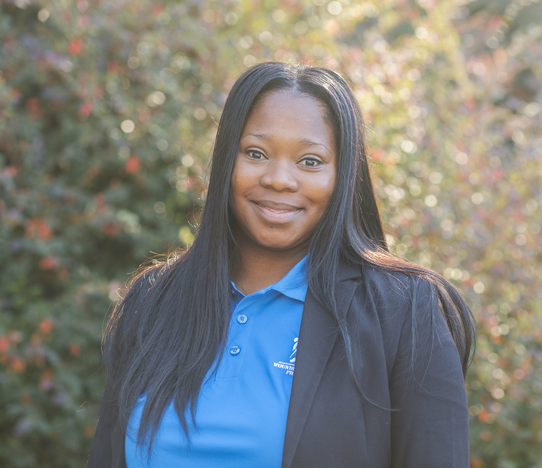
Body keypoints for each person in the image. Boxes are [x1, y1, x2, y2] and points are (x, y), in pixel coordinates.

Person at [88, 61, 476, 468]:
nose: (278, 179)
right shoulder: (152, 302)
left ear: (343, 176)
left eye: (310, 161)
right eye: (256, 153)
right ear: (226, 162)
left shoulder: (403, 311)